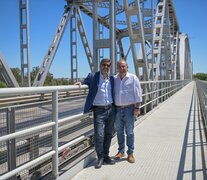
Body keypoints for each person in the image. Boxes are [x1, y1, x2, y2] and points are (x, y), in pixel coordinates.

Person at [75, 58, 115, 169]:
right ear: (100, 65)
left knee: (109, 134)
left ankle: (106, 156)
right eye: (104, 65)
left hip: (111, 109)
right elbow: (86, 81)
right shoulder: (94, 76)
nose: (106, 67)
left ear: (110, 66)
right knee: (99, 135)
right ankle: (100, 157)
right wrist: (81, 82)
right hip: (99, 110)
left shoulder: (111, 78)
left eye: (108, 65)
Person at [114, 59, 142, 163]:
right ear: (117, 68)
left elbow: (138, 94)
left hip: (129, 109)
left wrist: (137, 108)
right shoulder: (114, 78)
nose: (122, 68)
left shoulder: (133, 78)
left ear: (127, 67)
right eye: (120, 66)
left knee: (129, 132)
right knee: (119, 132)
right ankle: (121, 151)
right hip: (117, 109)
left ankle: (130, 153)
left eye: (123, 66)